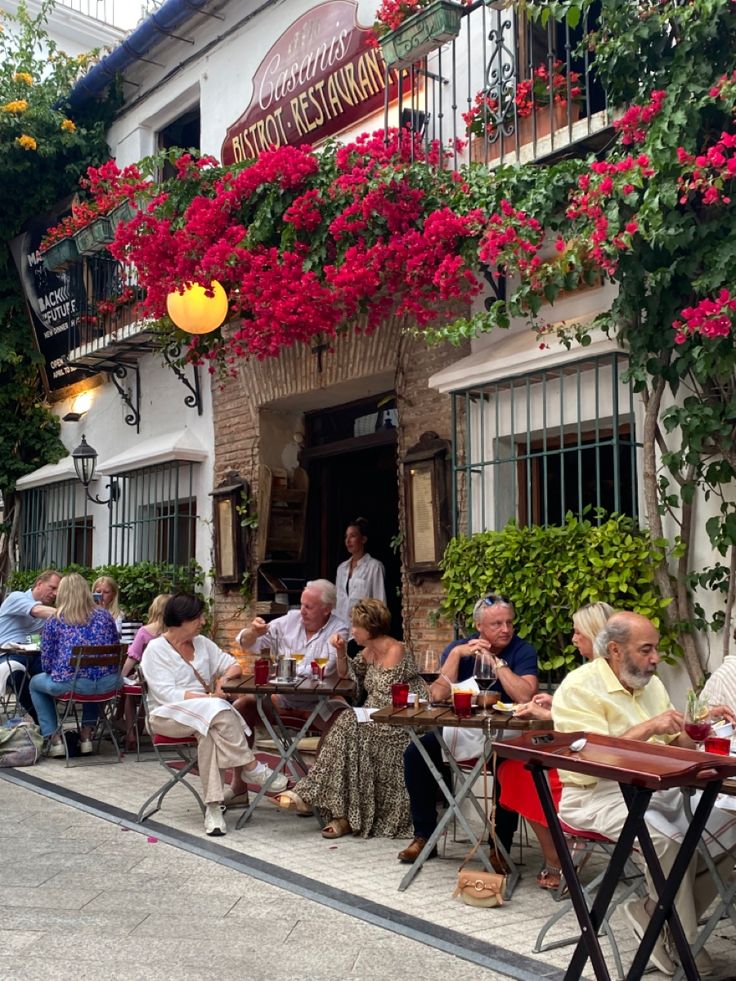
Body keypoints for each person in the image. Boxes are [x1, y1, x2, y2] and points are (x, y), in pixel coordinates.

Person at [552, 611, 736, 976]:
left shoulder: (651, 684)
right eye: (646, 650)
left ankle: (653, 913)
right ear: (616, 650)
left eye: (656, 649)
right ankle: (681, 941)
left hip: (658, 789)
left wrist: (698, 726)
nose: (655, 658)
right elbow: (583, 756)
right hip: (597, 795)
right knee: (665, 842)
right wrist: (649, 726)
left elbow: (675, 745)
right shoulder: (579, 687)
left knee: (732, 819)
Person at [399, 593, 538, 865]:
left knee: (508, 765)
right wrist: (454, 655)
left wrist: (496, 664)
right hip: (462, 730)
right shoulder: (460, 648)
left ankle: (500, 846)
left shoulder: (522, 650)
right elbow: (437, 695)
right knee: (416, 754)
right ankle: (424, 835)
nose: (506, 629)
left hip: (507, 733)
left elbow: (525, 696)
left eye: (509, 622)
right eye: (497, 624)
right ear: (480, 627)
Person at [272, 599, 427, 838]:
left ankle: (311, 795)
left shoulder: (395, 649)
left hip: (398, 722)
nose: (352, 630)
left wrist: (366, 712)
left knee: (346, 722)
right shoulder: (367, 651)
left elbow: (388, 697)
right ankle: (343, 816)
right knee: (346, 724)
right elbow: (350, 679)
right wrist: (341, 652)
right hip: (372, 719)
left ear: (370, 627)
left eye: (356, 626)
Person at [141, 594, 288, 837]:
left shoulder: (202, 643)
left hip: (205, 717)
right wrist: (210, 700)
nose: (202, 621)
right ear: (181, 620)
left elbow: (233, 664)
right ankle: (249, 764)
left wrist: (223, 680)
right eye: (197, 617)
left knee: (208, 730)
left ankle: (213, 810)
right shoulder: (155, 650)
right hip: (166, 716)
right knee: (213, 712)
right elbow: (167, 694)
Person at [501, 601, 615, 889]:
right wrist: (557, 707)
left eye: (579, 633)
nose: (574, 639)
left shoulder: (593, 675)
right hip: (597, 764)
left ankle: (558, 859)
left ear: (596, 635)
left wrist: (549, 716)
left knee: (517, 772)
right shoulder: (605, 671)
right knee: (517, 768)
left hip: (593, 771)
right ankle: (562, 853)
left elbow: (593, 734)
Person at [235, 579, 349, 739]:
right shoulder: (290, 620)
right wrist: (253, 631)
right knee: (242, 706)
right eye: (301, 604)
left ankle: (321, 764)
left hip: (319, 703)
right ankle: (245, 764)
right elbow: (246, 643)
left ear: (326, 609)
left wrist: (285, 669)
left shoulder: (339, 628)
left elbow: (326, 667)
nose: (302, 611)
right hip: (281, 701)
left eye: (308, 607)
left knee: (344, 719)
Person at [29, 573, 120, 757]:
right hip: (110, 683)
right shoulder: (105, 616)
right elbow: (114, 644)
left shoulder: (56, 620)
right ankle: (86, 736)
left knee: (35, 684)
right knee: (92, 676)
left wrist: (55, 671)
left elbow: (46, 662)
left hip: (72, 684)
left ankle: (54, 739)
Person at [0, 569, 61, 721]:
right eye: (52, 588)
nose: (55, 593)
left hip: (33, 654)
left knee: (57, 674)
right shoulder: (17, 597)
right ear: (39, 584)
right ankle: (44, 721)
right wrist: (71, 612)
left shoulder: (49, 610)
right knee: (16, 675)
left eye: (58, 590)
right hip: (6, 653)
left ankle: (49, 723)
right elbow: (36, 610)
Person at [334, 518, 386, 622]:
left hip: (363, 629)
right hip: (341, 629)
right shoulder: (341, 569)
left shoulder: (374, 567)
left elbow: (380, 603)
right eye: (346, 537)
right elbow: (337, 601)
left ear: (363, 539)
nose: (348, 541)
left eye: (353, 536)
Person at [123, 593, 171, 678]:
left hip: (149, 676)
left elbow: (133, 657)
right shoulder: (177, 632)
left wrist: (121, 677)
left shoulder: (144, 631)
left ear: (154, 610)